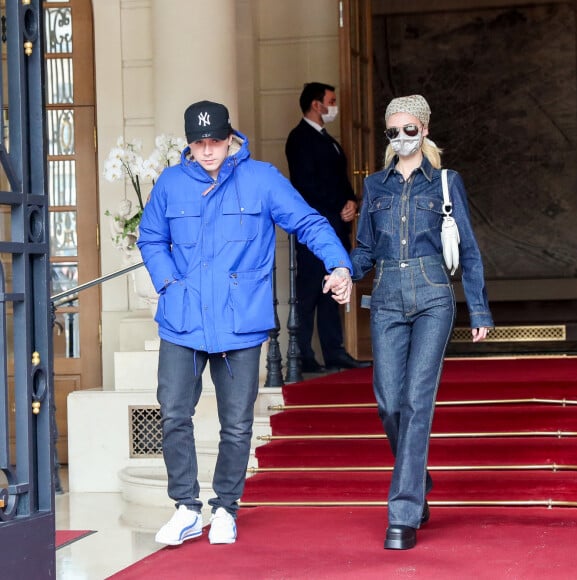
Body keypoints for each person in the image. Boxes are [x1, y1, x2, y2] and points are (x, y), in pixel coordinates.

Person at [137, 100, 353, 546]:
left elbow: (309, 222)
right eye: (199, 143)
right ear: (189, 144)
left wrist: (339, 264)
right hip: (182, 319)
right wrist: (168, 284)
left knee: (236, 423)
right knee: (175, 413)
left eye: (215, 140)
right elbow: (151, 236)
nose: (208, 150)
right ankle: (185, 507)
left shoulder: (262, 179)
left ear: (230, 136)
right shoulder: (172, 183)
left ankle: (225, 508)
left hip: (241, 321)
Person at [350, 95, 494, 550]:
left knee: (416, 402)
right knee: (389, 402)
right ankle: (419, 478)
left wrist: (480, 308)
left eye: (409, 130)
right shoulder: (375, 186)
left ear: (425, 130)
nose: (401, 138)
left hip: (434, 295)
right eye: (393, 132)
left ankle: (403, 512)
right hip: (388, 295)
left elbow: (467, 249)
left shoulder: (447, 183)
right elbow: (363, 250)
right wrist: (342, 272)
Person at [285, 82, 371, 372]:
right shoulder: (299, 138)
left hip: (336, 226)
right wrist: (336, 206)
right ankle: (304, 356)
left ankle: (334, 351)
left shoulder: (328, 139)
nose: (334, 107)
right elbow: (306, 186)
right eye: (331, 101)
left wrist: (351, 201)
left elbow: (339, 179)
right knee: (309, 291)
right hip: (314, 229)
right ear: (315, 104)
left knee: (332, 290)